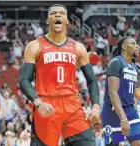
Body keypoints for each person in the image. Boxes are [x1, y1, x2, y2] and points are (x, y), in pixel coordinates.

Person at [19, 4, 100, 146]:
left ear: (67, 20)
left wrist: (96, 107)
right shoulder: (35, 46)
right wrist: (38, 103)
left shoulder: (78, 47)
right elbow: (24, 80)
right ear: (48, 20)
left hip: (72, 105)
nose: (57, 15)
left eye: (61, 13)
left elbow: (92, 80)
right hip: (46, 105)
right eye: (53, 13)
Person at [102, 36, 140, 146]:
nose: (137, 46)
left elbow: (132, 93)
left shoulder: (135, 67)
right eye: (133, 43)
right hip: (113, 112)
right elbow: (113, 92)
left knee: (139, 143)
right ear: (124, 46)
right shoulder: (115, 63)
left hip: (131, 110)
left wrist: (135, 108)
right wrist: (123, 118)